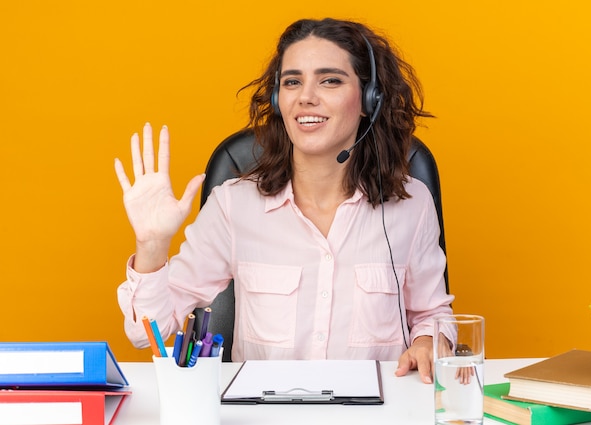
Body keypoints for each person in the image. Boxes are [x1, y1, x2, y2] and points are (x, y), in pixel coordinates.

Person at [114, 17, 454, 384]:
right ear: (279, 99)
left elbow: (431, 314)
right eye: (292, 82)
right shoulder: (233, 205)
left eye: (330, 80)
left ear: (369, 100)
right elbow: (146, 333)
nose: (306, 96)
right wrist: (151, 247)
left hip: (376, 412)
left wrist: (427, 342)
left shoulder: (412, 204)